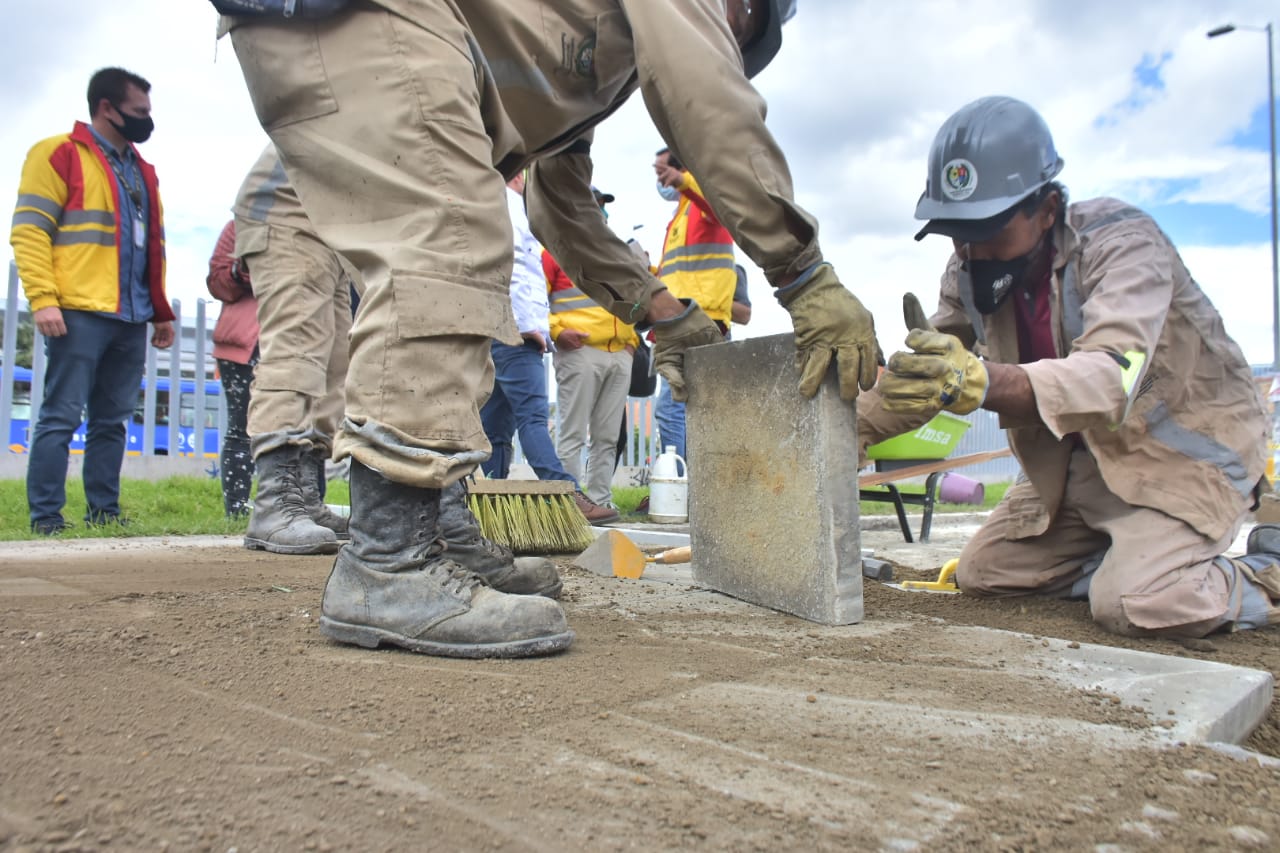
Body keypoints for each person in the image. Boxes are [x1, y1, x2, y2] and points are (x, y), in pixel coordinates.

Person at [220, 0, 879, 659]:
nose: (721, 30)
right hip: (365, 14)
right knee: (451, 232)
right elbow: (706, 97)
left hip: (389, 30)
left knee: (466, 245)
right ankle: (386, 562)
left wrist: (663, 314)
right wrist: (802, 274)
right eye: (738, 24)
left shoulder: (575, 48)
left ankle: (435, 531)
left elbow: (559, 207)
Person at [870, 95, 1279, 638]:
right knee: (984, 575)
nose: (973, 251)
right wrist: (838, 434)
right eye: (959, 232)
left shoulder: (1124, 245)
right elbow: (924, 380)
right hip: (1080, 470)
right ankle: (1131, 563)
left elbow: (1112, 376)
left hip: (1180, 461)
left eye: (989, 228)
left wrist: (985, 379)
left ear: (1047, 209)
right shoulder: (968, 271)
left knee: (1134, 604)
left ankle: (1261, 574)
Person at [10, 67, 175, 535]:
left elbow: (151, 246)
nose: (147, 120)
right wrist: (43, 299)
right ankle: (46, 519)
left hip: (131, 314)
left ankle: (104, 513)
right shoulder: (57, 154)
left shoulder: (142, 171)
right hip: (78, 310)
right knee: (60, 416)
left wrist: (159, 311)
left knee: (112, 421)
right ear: (107, 108)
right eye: (139, 112)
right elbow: (29, 231)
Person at [233, 145, 352, 554]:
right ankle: (273, 504)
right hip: (291, 205)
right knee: (298, 347)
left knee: (335, 365)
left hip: (336, 223)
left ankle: (304, 499)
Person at [480, 174, 619, 524]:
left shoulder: (502, 205)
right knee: (532, 418)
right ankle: (565, 494)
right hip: (515, 331)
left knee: (495, 428)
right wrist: (527, 325)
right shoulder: (510, 207)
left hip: (500, 329)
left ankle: (483, 504)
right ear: (518, 174)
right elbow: (513, 270)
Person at [544, 187, 636, 513]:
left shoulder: (615, 253)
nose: (599, 213)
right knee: (572, 434)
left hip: (618, 354)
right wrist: (557, 332)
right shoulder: (554, 251)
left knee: (607, 437)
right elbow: (534, 299)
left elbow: (632, 300)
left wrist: (631, 344)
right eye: (594, 206)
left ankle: (599, 501)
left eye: (601, 207)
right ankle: (569, 506)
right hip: (578, 351)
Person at [652, 147, 739, 462]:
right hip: (683, 321)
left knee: (673, 407)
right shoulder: (682, 213)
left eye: (663, 172)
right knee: (698, 408)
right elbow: (678, 273)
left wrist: (684, 180)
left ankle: (680, 486)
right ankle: (691, 487)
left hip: (699, 321)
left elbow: (717, 206)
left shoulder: (702, 201)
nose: (661, 181)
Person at [206, 219, 260, 519]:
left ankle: (301, 507)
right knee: (241, 429)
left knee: (303, 430)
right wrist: (243, 271)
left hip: (301, 339)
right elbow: (217, 282)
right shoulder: (240, 226)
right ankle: (237, 511)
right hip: (245, 342)